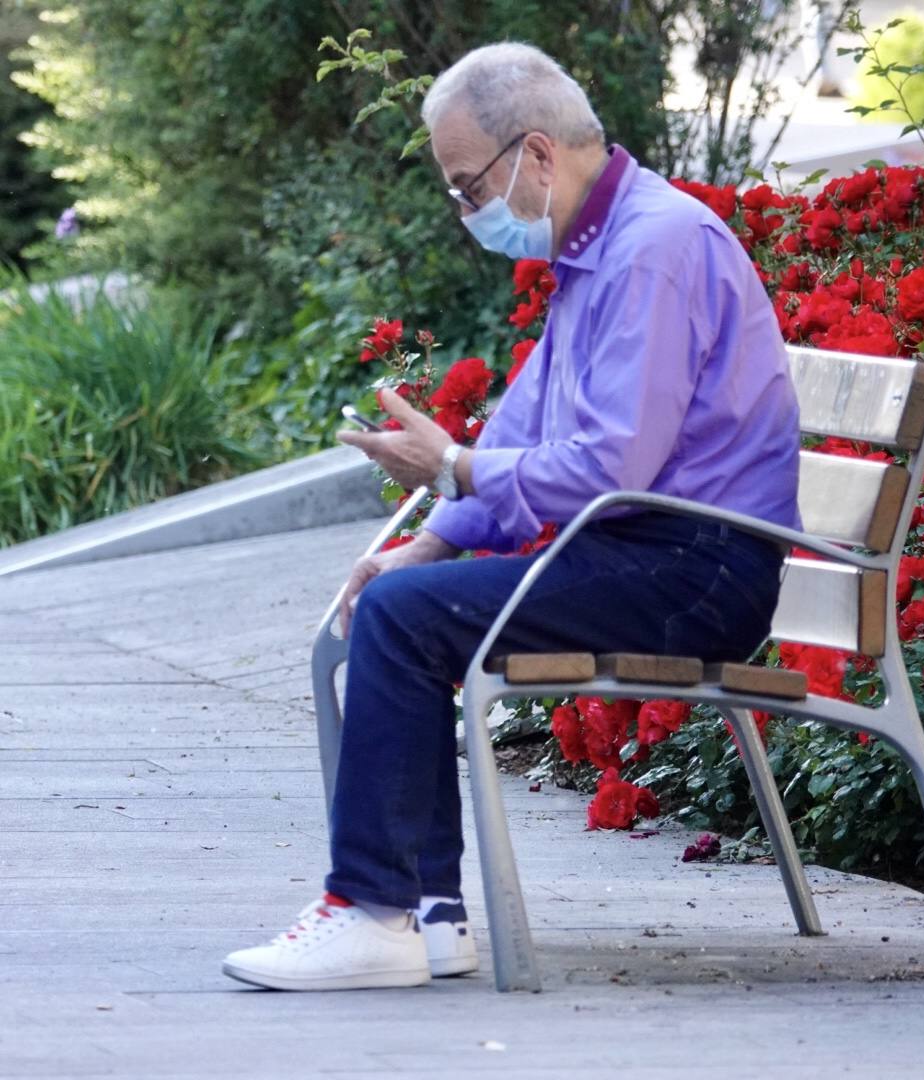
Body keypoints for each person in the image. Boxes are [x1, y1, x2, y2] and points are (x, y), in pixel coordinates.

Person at [222, 41, 801, 992]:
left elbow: (610, 466)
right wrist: (430, 538)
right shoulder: (597, 248)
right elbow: (532, 423)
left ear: (535, 154)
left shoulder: (652, 250)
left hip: (695, 568)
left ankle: (376, 912)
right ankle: (430, 917)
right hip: (643, 548)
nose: (466, 213)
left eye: (466, 187)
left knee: (411, 622)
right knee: (402, 599)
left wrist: (447, 463)